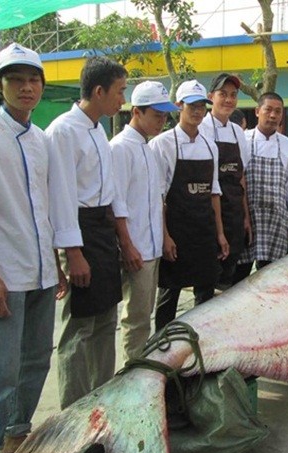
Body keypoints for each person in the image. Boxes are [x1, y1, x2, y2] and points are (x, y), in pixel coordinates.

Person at [0, 43, 73, 453]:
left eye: (33, 80)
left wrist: (57, 264)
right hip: (3, 271)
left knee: (37, 359)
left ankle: (15, 433)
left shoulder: (42, 140)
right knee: (0, 369)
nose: (27, 88)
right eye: (17, 80)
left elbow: (45, 207)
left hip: (41, 271)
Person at [45, 56, 127, 408]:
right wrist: (72, 253)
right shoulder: (63, 131)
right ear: (98, 91)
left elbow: (108, 191)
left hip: (102, 231)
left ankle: (102, 399)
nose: (123, 100)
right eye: (120, 92)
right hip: (78, 230)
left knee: (107, 319)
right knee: (80, 328)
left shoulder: (98, 130)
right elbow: (60, 196)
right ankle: (72, 409)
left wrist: (120, 238)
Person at [150, 80, 229, 331]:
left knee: (205, 295)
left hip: (203, 231)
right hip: (177, 232)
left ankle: (199, 346)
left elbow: (214, 192)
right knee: (168, 296)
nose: (197, 112)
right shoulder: (162, 144)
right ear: (178, 106)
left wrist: (220, 234)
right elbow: (158, 197)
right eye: (191, 106)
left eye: (201, 107)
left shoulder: (210, 146)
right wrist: (165, 236)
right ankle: (162, 346)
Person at [110, 81, 178, 363]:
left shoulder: (148, 149)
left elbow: (156, 202)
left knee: (144, 313)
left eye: (164, 116)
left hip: (152, 249)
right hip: (136, 249)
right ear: (136, 112)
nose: (161, 121)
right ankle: (131, 369)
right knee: (135, 319)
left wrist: (164, 237)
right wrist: (127, 246)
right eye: (156, 115)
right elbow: (116, 205)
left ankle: (139, 364)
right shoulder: (120, 148)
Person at [232, 92, 288, 283]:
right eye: (268, 110)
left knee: (271, 277)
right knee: (240, 274)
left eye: (278, 112)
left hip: (276, 219)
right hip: (248, 218)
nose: (273, 115)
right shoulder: (242, 140)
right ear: (257, 111)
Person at [199, 73, 252, 289]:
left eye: (233, 95)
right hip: (208, 215)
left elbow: (241, 178)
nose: (229, 100)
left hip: (234, 214)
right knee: (206, 277)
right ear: (211, 96)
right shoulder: (201, 129)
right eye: (223, 94)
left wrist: (246, 217)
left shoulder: (238, 133)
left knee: (228, 276)